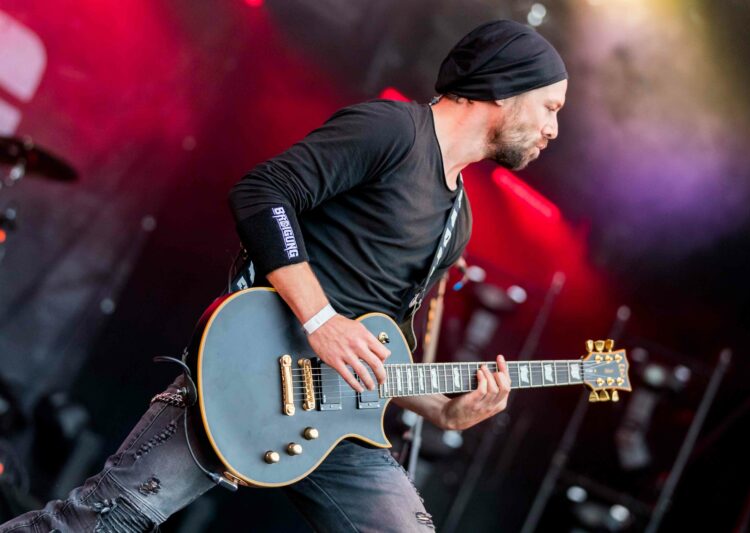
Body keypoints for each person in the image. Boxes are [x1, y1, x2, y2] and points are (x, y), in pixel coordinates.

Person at [1, 19, 567, 532]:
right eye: (549, 107)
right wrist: (321, 320)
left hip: (339, 420)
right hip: (250, 370)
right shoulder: (393, 130)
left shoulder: (456, 221)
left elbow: (383, 355)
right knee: (99, 520)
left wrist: (443, 410)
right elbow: (263, 193)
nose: (553, 129)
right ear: (505, 87)